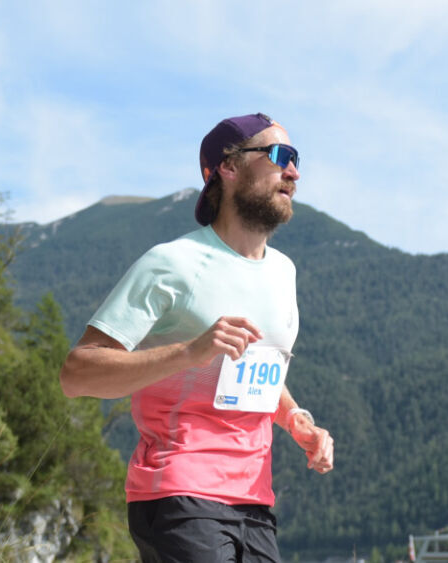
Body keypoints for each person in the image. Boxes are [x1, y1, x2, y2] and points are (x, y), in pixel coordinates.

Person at [60, 113, 334, 563]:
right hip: (178, 492)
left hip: (254, 499)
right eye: (280, 156)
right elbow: (77, 373)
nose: (294, 172)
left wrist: (296, 417)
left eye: (296, 159)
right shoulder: (172, 263)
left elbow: (255, 363)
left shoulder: (284, 271)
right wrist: (190, 351)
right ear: (228, 167)